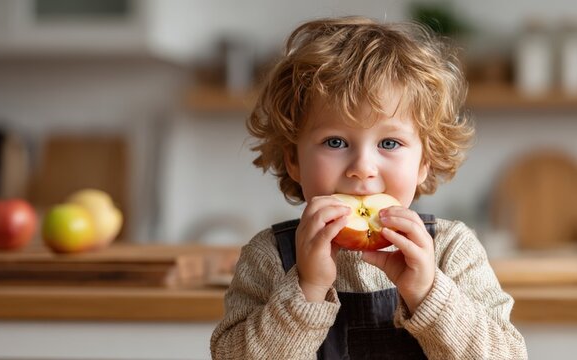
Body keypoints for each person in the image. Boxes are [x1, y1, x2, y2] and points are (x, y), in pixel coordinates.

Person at [210, 16, 527, 359]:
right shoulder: (269, 258)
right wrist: (307, 289)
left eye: (389, 144)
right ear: (294, 160)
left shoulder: (452, 251)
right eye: (335, 142)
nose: (362, 168)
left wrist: (428, 292)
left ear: (424, 162)